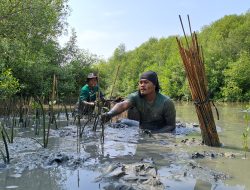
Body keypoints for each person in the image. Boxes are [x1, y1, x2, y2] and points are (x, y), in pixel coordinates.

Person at [101, 71, 176, 133]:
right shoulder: (135, 97)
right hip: (143, 128)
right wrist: (109, 115)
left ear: (154, 85)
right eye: (140, 82)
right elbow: (123, 105)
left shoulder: (166, 102)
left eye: (146, 82)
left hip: (159, 131)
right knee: (122, 121)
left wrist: (155, 133)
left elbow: (171, 126)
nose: (142, 85)